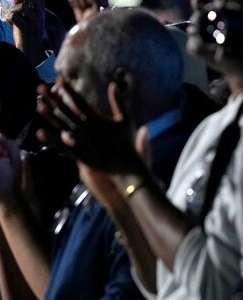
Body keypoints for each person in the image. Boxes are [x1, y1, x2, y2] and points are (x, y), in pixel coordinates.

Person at [38, 0, 243, 298]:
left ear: (120, 85)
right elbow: (161, 286)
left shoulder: (163, 153)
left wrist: (130, 176)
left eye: (71, 77)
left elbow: (212, 286)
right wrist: (121, 198)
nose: (202, 7)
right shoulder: (213, 129)